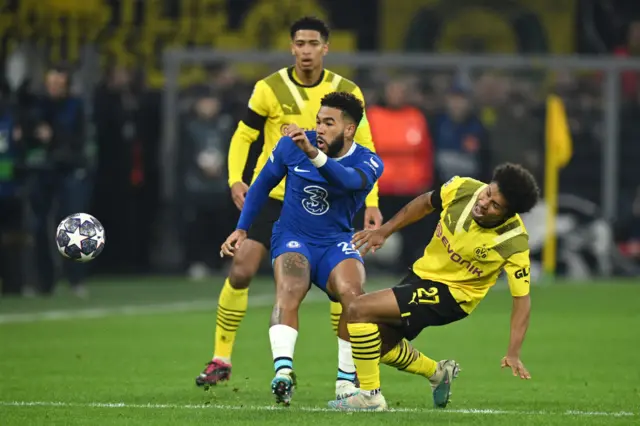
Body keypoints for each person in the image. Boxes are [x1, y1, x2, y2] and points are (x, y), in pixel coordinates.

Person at [195, 16, 383, 398]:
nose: (306, 50)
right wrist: (236, 179)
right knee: (243, 269)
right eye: (300, 43)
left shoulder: (347, 92)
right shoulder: (268, 88)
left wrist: (372, 203)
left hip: (330, 202)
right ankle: (221, 357)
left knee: (345, 289)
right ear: (292, 47)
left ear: (325, 48)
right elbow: (244, 135)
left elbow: (365, 152)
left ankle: (347, 374)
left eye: (314, 43)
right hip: (279, 197)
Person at [327, 163, 539, 411]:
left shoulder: (514, 242)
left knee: (357, 309)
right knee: (373, 345)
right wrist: (385, 231)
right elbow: (425, 202)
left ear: (509, 214)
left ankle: (370, 397)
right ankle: (438, 373)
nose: (484, 202)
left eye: (495, 205)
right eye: (488, 193)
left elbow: (522, 300)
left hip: (452, 296)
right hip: (421, 275)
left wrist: (513, 352)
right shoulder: (463, 188)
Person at [220, 92, 384, 405]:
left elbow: (347, 181)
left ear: (349, 130)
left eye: (329, 123)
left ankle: (345, 384)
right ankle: (283, 373)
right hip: (293, 236)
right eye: (318, 121)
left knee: (354, 295)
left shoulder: (369, 161)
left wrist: (312, 154)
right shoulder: (291, 146)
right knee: (291, 288)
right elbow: (262, 185)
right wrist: (242, 228)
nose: (319, 128)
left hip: (336, 242)